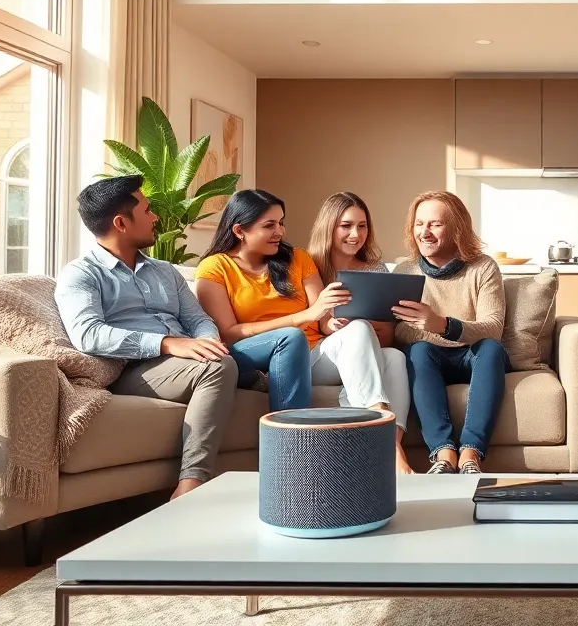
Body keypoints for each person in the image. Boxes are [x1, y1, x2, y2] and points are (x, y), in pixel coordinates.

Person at [194, 190, 413, 473]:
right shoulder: (215, 268)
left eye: (281, 223)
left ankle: (387, 441)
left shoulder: (298, 258)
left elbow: (321, 319)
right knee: (294, 336)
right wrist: (304, 317)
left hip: (313, 354)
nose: (280, 232)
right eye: (269, 225)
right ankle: (383, 443)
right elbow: (229, 334)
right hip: (267, 358)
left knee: (391, 354)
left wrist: (332, 324)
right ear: (239, 231)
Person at [55, 175, 237, 501]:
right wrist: (167, 343)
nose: (155, 217)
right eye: (148, 210)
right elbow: (88, 334)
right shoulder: (81, 274)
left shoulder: (165, 271)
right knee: (219, 367)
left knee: (255, 359)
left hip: (185, 359)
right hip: (136, 369)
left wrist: (209, 343)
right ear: (121, 223)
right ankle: (191, 484)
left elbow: (198, 319)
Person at [392, 190, 510, 475]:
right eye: (419, 224)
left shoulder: (483, 267)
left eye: (435, 224)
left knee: (491, 348)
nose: (424, 232)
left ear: (457, 228)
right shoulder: (405, 270)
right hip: (431, 358)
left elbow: (493, 327)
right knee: (418, 351)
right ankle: (444, 455)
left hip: (476, 355)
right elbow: (399, 330)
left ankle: (471, 454)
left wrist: (443, 325)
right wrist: (432, 333)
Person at [307, 191, 412, 473]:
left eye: (362, 226)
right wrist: (333, 325)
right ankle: (386, 440)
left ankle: (392, 447)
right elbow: (313, 319)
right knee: (358, 328)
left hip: (364, 349)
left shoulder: (376, 269)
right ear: (329, 226)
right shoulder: (307, 265)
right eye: (346, 226)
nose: (356, 234)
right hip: (317, 357)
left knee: (395, 357)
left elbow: (388, 333)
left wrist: (370, 329)